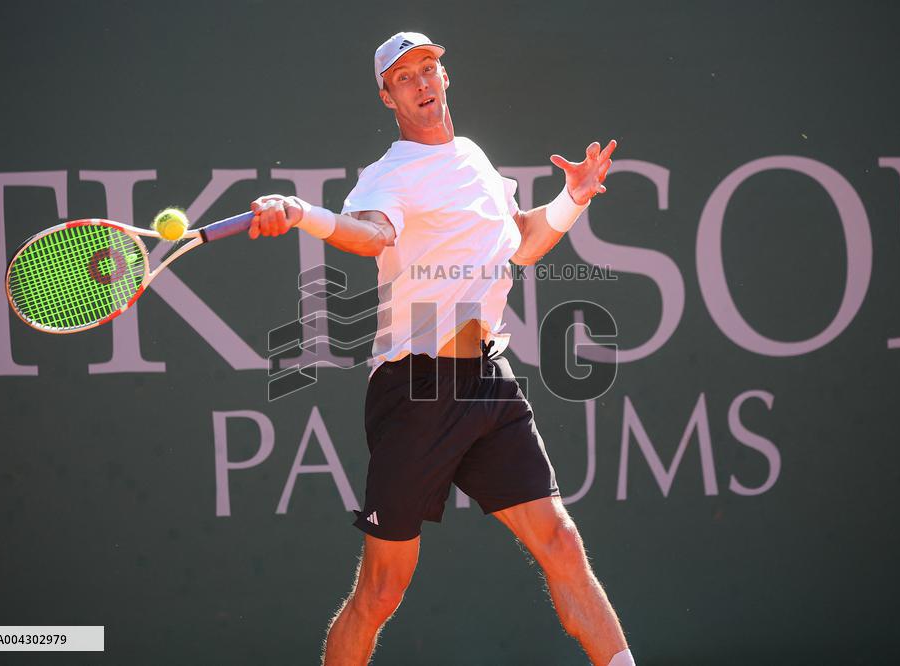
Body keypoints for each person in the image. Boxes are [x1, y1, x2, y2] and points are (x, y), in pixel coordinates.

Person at [248, 31, 632, 666]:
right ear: (388, 97)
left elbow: (519, 243)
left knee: (561, 542)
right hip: (414, 391)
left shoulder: (474, 158)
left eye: (428, 68)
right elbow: (370, 236)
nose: (421, 83)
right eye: (404, 77)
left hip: (490, 378)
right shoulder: (387, 176)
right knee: (380, 592)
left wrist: (572, 198)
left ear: (444, 77)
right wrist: (303, 213)